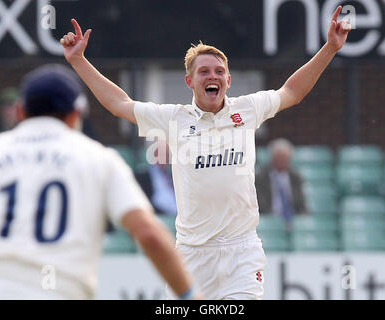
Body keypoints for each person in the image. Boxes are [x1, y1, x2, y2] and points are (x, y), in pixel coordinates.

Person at [60, 6, 350, 299]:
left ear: (228, 80)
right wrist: (79, 61)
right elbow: (119, 104)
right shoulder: (174, 118)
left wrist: (330, 48)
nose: (213, 76)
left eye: (220, 72)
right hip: (192, 254)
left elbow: (292, 92)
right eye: (204, 72)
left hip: (242, 251)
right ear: (190, 81)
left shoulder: (247, 109)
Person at [0, 64, 199, 300]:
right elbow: (149, 235)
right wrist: (191, 296)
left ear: (20, 112)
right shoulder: (99, 159)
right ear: (75, 115)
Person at [255, 138, 308, 230]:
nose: (282, 161)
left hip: (292, 219)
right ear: (273, 158)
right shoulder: (261, 177)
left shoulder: (295, 177)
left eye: (284, 158)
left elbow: (301, 202)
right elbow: (260, 202)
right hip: (270, 219)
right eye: (279, 157)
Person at [135, 140, 178, 216]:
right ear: (154, 154)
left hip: (175, 210)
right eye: (163, 154)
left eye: (167, 155)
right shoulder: (143, 176)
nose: (166, 158)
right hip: (157, 211)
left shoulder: (171, 175)